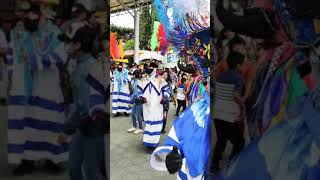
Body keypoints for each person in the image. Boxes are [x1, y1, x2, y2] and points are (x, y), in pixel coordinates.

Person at [7, 2, 68, 175]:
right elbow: (12, 57)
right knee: (25, 123)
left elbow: (61, 55)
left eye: (33, 13)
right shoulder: (17, 33)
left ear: (43, 14)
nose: (29, 17)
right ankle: (26, 160)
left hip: (47, 84)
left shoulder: (55, 33)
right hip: (22, 87)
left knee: (49, 121)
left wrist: (38, 62)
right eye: (25, 14)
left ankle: (52, 159)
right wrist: (12, 78)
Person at [57, 25, 107, 180]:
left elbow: (84, 107)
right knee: (73, 167)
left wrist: (67, 129)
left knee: (92, 173)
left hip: (92, 127)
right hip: (82, 126)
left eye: (71, 43)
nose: (68, 47)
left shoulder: (89, 68)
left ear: (78, 45)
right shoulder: (80, 64)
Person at [212, 50, 246, 172]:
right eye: (243, 64)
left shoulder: (221, 76)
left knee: (221, 140)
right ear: (238, 65)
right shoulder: (238, 79)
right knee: (239, 142)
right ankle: (232, 165)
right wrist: (243, 102)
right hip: (229, 115)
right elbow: (236, 95)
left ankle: (214, 166)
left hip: (217, 112)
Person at [138, 63, 170, 148]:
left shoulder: (160, 79)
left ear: (155, 68)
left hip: (157, 105)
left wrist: (165, 97)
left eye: (151, 66)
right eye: (148, 66)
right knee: (148, 123)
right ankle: (147, 141)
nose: (149, 68)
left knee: (156, 123)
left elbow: (167, 90)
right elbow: (139, 90)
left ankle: (154, 142)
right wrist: (140, 97)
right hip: (147, 105)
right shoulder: (143, 79)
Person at [127, 69, 144, 134]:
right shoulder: (135, 81)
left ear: (134, 75)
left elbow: (136, 94)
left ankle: (140, 128)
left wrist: (130, 102)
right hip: (135, 100)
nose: (131, 76)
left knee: (138, 115)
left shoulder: (137, 82)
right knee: (133, 114)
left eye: (132, 74)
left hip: (138, 100)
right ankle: (134, 126)